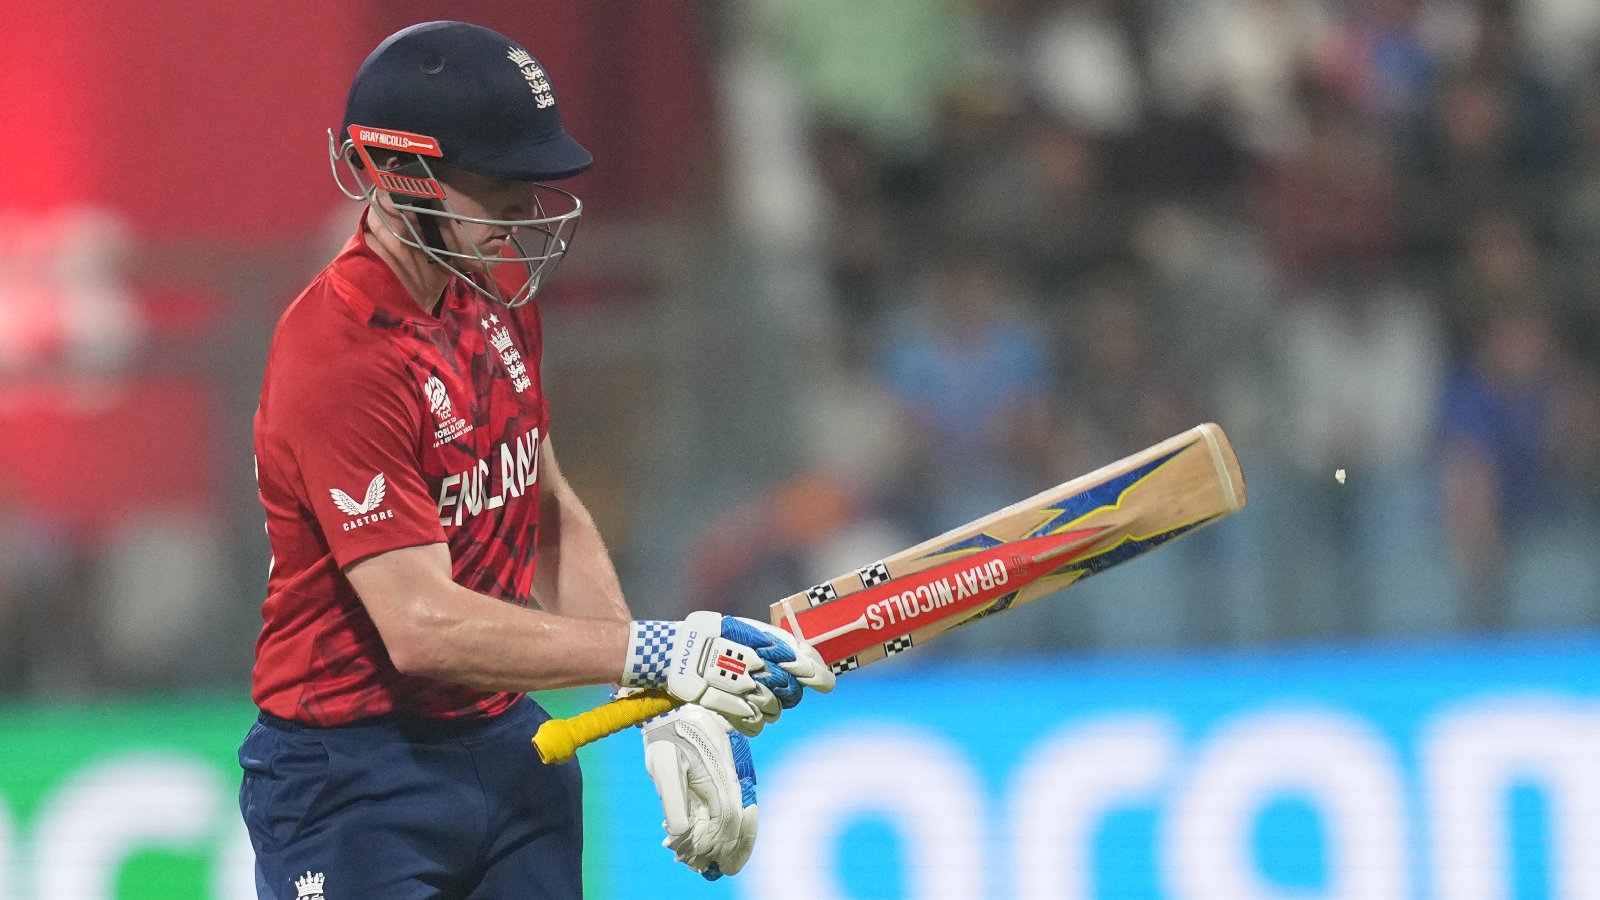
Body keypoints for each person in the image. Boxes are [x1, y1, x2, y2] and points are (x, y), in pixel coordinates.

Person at [240, 21, 832, 899]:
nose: (527, 209)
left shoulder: (491, 292)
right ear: (402, 178)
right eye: (499, 183)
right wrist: (651, 652)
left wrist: (653, 704)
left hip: (507, 749)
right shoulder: (339, 354)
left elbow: (546, 511)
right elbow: (418, 627)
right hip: (354, 777)